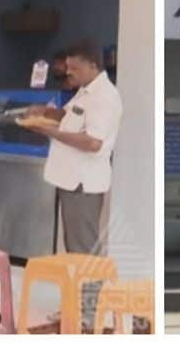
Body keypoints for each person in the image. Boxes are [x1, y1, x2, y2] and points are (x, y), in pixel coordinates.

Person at [24, 41, 123, 330]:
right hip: (69, 180)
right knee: (74, 249)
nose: (70, 73)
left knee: (86, 250)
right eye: (68, 68)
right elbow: (69, 117)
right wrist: (46, 113)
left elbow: (92, 142)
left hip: (84, 183)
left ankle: (89, 314)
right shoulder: (85, 92)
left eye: (75, 68)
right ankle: (74, 306)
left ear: (93, 66)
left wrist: (48, 130)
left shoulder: (105, 97)